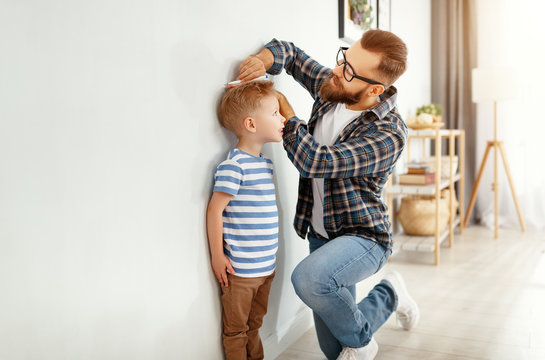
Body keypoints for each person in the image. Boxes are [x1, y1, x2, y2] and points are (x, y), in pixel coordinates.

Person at [235, 29, 419, 360]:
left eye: (349, 70)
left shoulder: (388, 133)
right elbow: (290, 54)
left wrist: (288, 115)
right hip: (321, 234)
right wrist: (264, 59)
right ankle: (390, 294)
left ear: (374, 89)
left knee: (308, 279)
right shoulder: (337, 87)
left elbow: (316, 161)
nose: (337, 70)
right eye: (343, 58)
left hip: (364, 237)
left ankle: (365, 344)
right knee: (335, 350)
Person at [206, 80, 285, 360]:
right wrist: (218, 256)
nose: (283, 118)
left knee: (255, 325)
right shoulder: (234, 166)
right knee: (237, 330)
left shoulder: (265, 163)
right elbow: (215, 210)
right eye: (275, 113)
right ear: (251, 124)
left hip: (266, 267)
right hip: (240, 272)